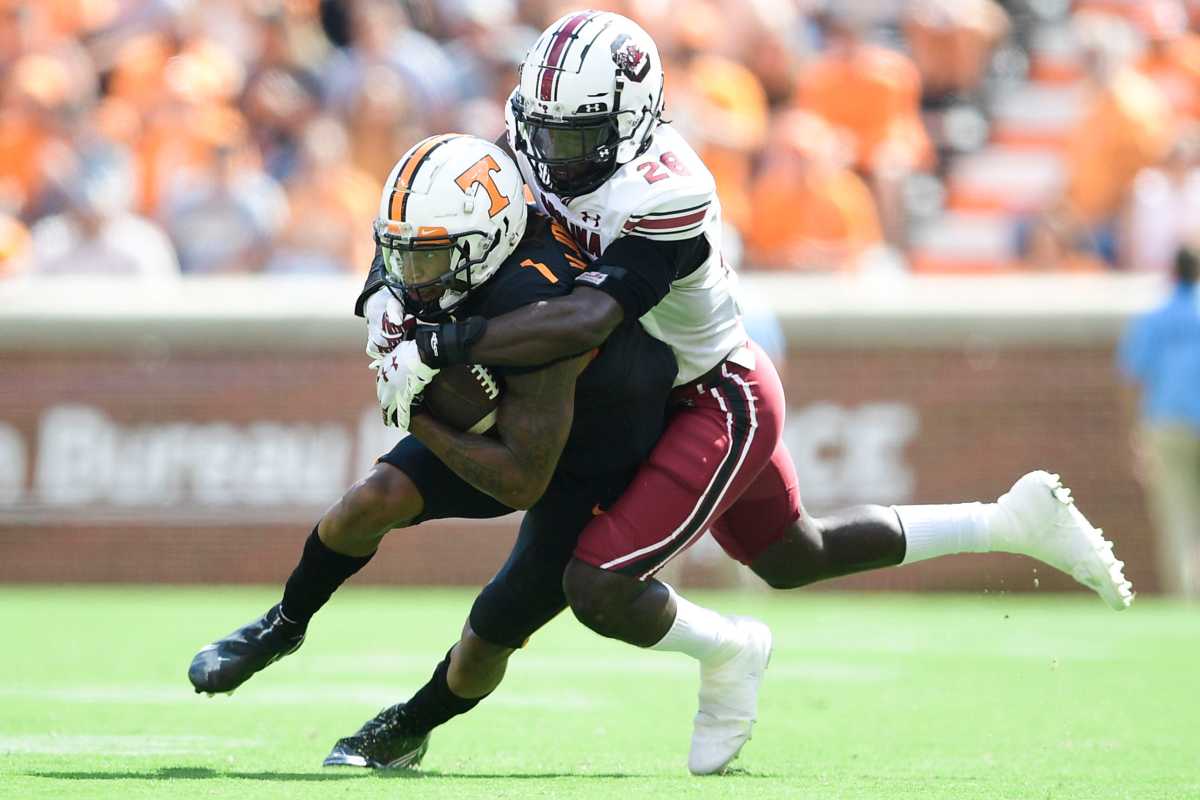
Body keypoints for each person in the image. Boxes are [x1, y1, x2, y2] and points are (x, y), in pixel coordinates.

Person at [369, 11, 1134, 775]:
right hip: (658, 394)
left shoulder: (664, 189)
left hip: (712, 395)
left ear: (630, 122)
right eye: (540, 130)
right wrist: (383, 301)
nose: (547, 156)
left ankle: (731, 651)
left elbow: (590, 316)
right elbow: (433, 204)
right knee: (797, 554)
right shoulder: (540, 145)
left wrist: (440, 344)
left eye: (572, 138)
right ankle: (1008, 519)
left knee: (598, 582)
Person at [188, 134, 678, 768]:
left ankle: (407, 726)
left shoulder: (537, 306)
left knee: (487, 637)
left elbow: (522, 481)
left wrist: (418, 415)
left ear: (485, 246)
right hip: (516, 422)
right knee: (370, 500)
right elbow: (397, 250)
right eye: (405, 256)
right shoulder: (458, 239)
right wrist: (382, 299)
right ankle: (284, 624)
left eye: (425, 262)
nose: (412, 277)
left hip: (593, 462)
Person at [1117, 246, 1200, 598]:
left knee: (1177, 515)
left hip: (1166, 423)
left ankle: (1185, 596)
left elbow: (1131, 377)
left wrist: (1131, 432)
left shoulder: (1155, 317)